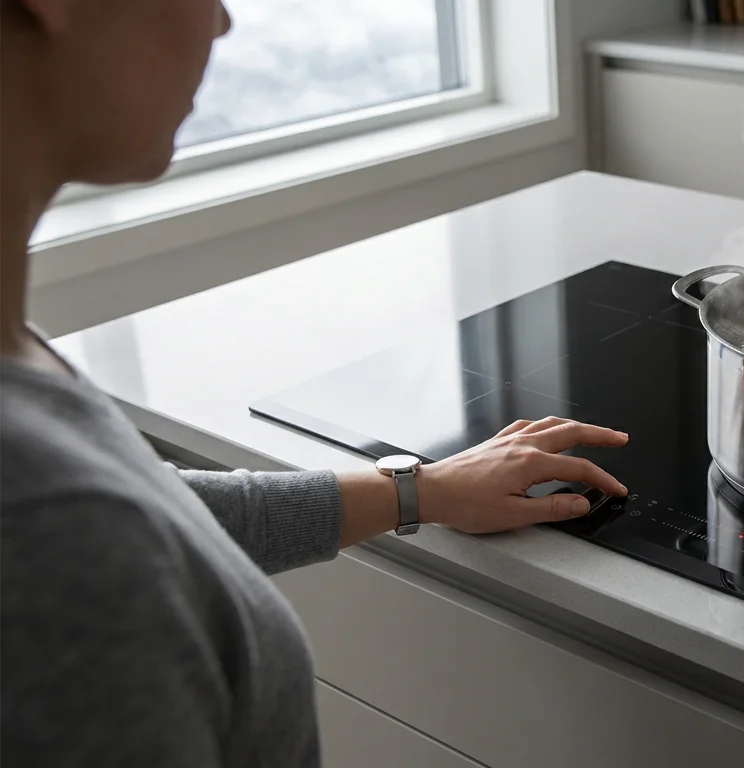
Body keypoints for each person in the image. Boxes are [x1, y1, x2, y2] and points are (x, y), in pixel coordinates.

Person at [0, 0, 630, 764]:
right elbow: (101, 541)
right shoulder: (52, 539)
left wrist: (415, 489)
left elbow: (155, 522)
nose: (223, 22)